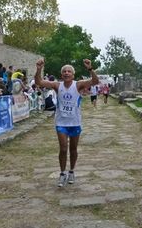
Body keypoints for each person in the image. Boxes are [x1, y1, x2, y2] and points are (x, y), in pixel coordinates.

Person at [34, 58, 99, 187]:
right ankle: (62, 173)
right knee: (63, 149)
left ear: (73, 74)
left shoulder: (78, 84)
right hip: (61, 122)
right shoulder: (57, 85)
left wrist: (90, 69)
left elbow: (95, 81)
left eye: (69, 71)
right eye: (64, 71)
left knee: (73, 149)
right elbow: (39, 82)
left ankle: (72, 171)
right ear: (61, 74)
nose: (67, 73)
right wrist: (39, 69)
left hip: (74, 122)